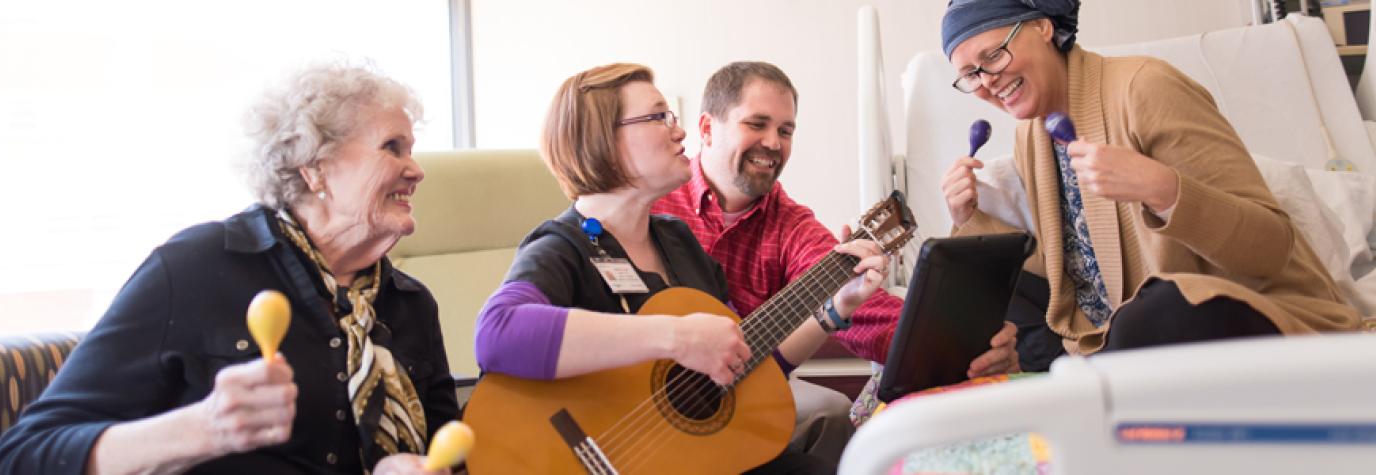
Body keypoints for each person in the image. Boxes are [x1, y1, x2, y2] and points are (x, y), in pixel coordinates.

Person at [0, 63, 459, 474]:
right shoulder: (195, 268)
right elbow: (24, 457)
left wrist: (407, 466)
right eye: (392, 147)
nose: (415, 168)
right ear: (314, 169)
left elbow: (452, 455)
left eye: (411, 149)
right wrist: (204, 428)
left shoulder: (410, 304)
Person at [473, 63, 888, 474]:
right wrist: (676, 337)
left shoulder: (678, 242)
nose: (680, 131)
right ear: (602, 138)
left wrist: (834, 309)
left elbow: (738, 369)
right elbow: (497, 333)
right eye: (659, 117)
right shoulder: (563, 247)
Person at [938, 0, 1361, 364]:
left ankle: (1100, 365)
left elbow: (1270, 247)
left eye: (993, 56)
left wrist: (1162, 189)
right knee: (989, 299)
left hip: (1236, 312)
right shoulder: (1031, 135)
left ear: (1042, 27)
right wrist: (971, 217)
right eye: (971, 74)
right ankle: (1093, 364)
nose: (987, 81)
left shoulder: (1145, 86)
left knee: (1158, 308)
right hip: (1115, 333)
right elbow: (1070, 270)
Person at [649, 61, 1022, 463]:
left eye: (786, 130)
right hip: (637, 389)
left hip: (731, 395)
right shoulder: (651, 198)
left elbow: (871, 313)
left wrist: (962, 344)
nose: (774, 143)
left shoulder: (791, 226)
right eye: (757, 124)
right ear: (706, 129)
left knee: (830, 415)